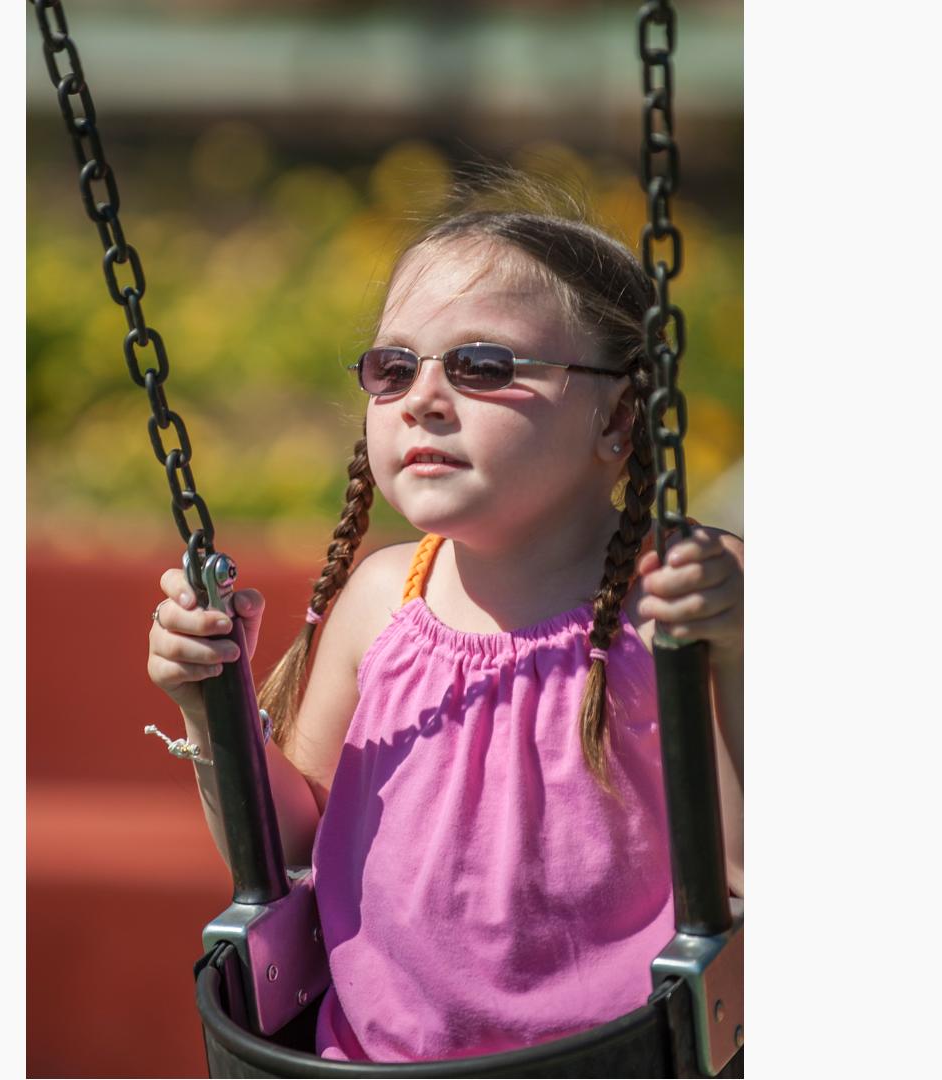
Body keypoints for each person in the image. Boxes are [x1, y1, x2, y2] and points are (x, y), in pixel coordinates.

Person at [144, 190, 743, 1063]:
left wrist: (731, 645)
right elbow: (292, 860)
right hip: (370, 1060)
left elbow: (743, 873)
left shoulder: (681, 599)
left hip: (613, 1057)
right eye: (394, 368)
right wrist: (213, 707)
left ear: (615, 418)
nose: (423, 399)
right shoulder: (387, 601)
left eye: (484, 365)